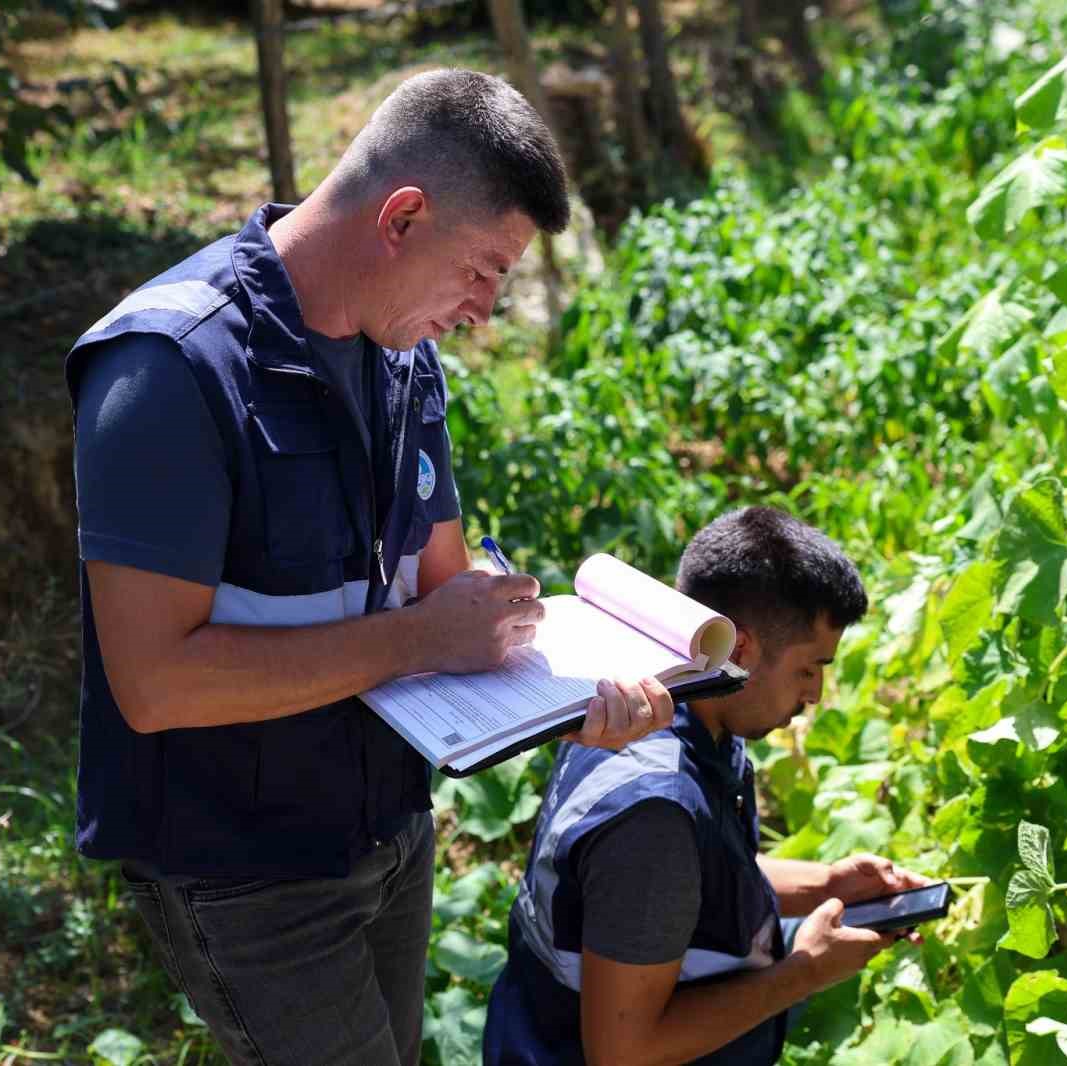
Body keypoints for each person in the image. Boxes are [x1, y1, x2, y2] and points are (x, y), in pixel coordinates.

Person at [64, 69, 674, 1066]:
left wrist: (577, 693)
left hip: (389, 837)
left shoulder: (402, 357)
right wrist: (418, 639)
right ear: (401, 217)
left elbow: (442, 585)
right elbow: (154, 683)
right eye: (481, 271)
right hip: (248, 874)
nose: (482, 310)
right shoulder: (169, 370)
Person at [483, 506, 928, 1065]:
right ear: (740, 649)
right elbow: (625, 1053)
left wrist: (828, 885)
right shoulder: (655, 820)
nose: (816, 694)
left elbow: (693, 887)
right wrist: (803, 972)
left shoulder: (670, 707)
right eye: (809, 668)